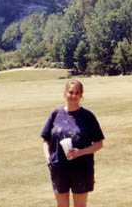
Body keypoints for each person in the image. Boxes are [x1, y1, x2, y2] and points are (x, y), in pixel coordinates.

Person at [41, 79, 104, 207]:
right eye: (70, 92)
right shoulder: (56, 114)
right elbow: (45, 141)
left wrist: (80, 152)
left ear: (81, 95)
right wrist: (49, 161)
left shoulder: (87, 116)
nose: (73, 96)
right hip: (58, 168)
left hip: (81, 168)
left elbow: (99, 143)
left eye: (77, 93)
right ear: (65, 93)